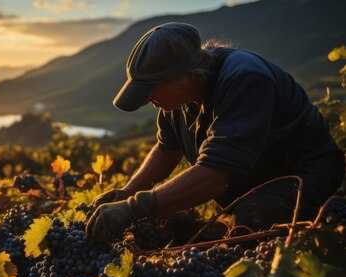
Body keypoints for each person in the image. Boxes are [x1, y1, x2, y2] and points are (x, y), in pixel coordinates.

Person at [86, 22, 345, 242]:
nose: (147, 100)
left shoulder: (245, 80)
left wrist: (133, 208)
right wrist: (127, 192)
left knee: (251, 221)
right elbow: (166, 149)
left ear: (183, 77)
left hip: (304, 173)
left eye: (150, 90)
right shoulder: (177, 98)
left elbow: (214, 176)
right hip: (255, 181)